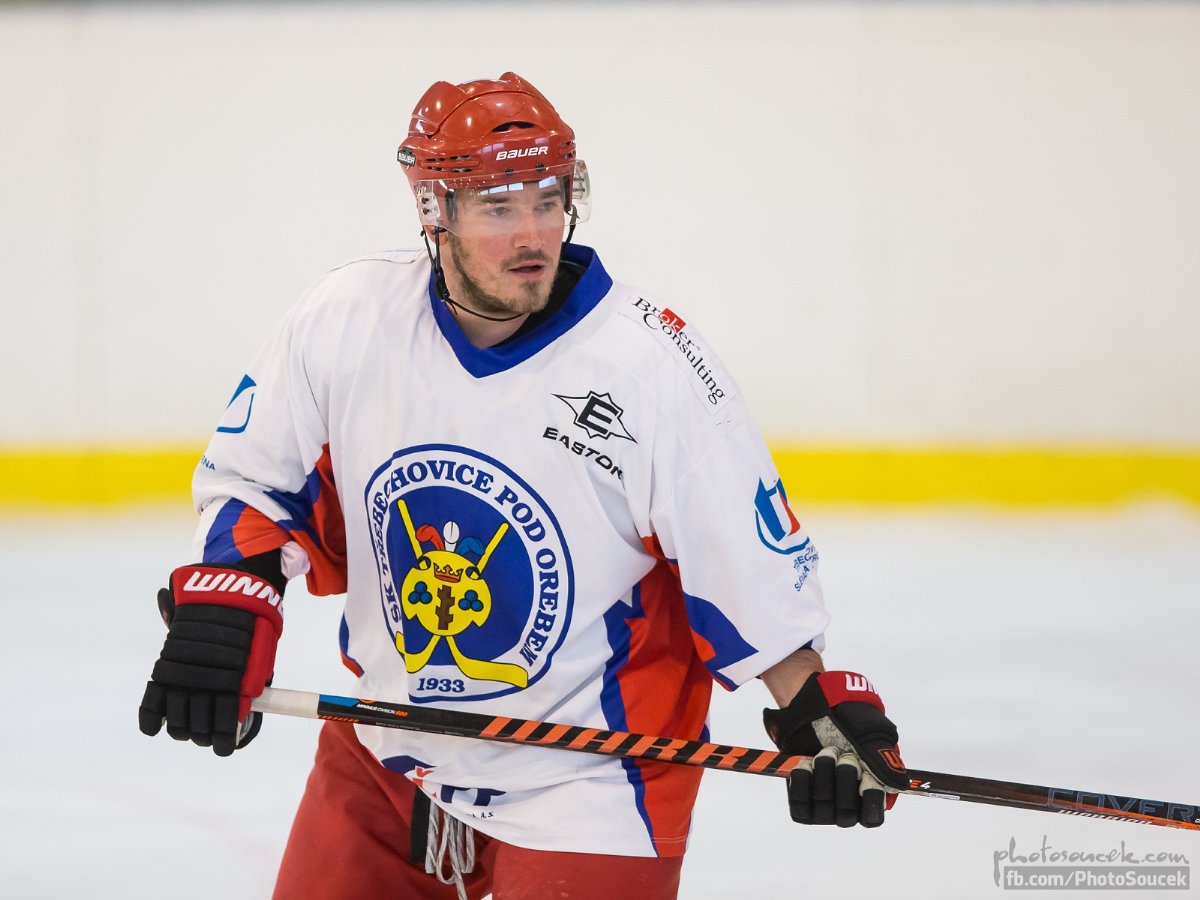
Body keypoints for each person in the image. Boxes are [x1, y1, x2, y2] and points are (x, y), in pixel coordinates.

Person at [138, 72, 907, 899]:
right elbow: (259, 480)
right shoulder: (349, 317)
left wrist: (822, 712)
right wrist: (229, 603)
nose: (533, 233)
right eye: (498, 207)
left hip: (594, 784)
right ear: (434, 209)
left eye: (548, 200)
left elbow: (748, 576)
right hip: (388, 750)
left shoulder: (653, 369)